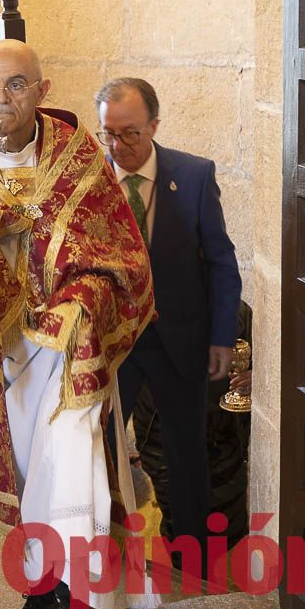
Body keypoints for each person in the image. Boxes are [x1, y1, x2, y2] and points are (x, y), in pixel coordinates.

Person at [0, 41, 156, 609]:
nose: (1, 99)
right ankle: (45, 583)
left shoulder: (75, 154)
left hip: (69, 346)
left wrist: (80, 301)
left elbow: (118, 252)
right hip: (3, 345)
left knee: (72, 451)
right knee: (22, 465)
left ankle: (78, 592)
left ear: (42, 91)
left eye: (16, 84)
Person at [94, 77, 241, 571]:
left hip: (180, 338)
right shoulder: (90, 182)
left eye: (130, 133)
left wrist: (223, 337)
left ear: (154, 125)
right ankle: (104, 547)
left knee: (186, 452)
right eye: (108, 134)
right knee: (99, 447)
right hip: (114, 343)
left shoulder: (195, 176)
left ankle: (192, 555)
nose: (119, 146)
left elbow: (221, 261)